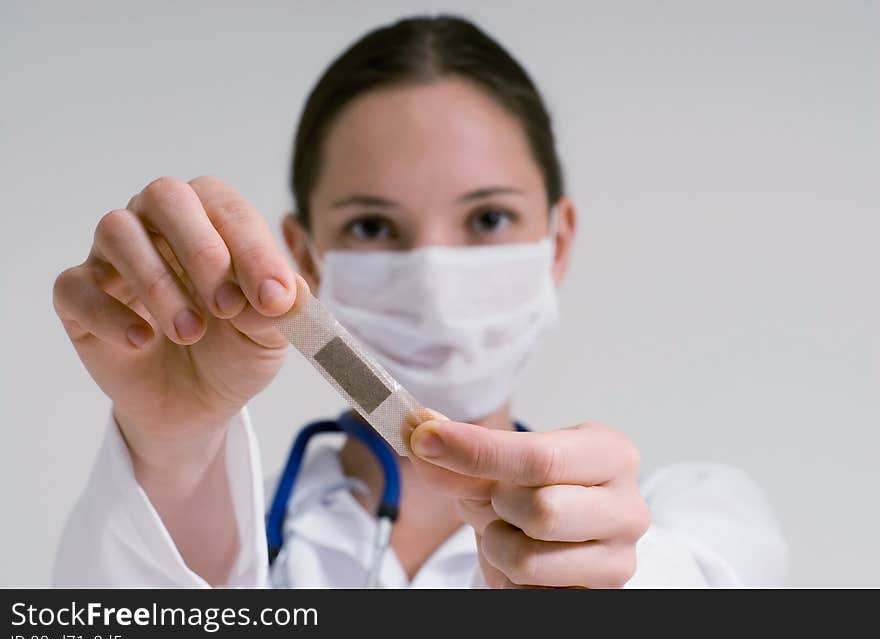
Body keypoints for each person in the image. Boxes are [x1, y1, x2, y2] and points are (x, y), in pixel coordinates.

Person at [51, 15, 786, 588]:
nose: (434, 278)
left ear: (556, 242)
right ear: (304, 256)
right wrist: (174, 447)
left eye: (489, 218)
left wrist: (603, 578)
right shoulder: (210, 525)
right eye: (373, 226)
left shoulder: (691, 522)